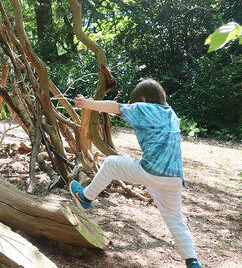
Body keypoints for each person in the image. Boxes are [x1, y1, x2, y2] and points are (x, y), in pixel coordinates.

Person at [69, 79, 202, 268]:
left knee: (111, 163)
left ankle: (86, 197)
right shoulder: (171, 113)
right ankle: (193, 261)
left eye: (135, 102)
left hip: (152, 172)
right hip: (174, 178)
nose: (134, 107)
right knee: (175, 218)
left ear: (142, 99)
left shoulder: (143, 107)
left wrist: (86, 103)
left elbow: (115, 107)